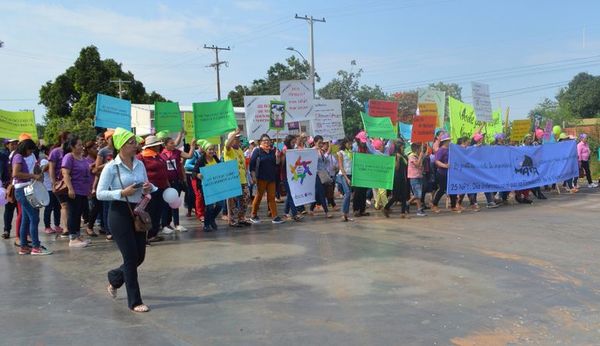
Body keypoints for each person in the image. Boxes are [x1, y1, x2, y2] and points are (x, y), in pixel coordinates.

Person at [97, 127, 154, 313]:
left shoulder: (140, 164)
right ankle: (135, 301)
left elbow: (148, 186)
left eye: (135, 142)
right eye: (131, 142)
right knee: (130, 258)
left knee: (139, 257)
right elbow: (99, 194)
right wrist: (122, 192)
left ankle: (114, 277)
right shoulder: (111, 167)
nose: (135, 145)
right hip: (119, 213)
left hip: (137, 211)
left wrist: (148, 188)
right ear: (121, 145)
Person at [12, 139, 52, 255]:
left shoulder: (23, 156)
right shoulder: (18, 157)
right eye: (30, 150)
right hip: (22, 189)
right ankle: (36, 247)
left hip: (25, 189)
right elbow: (16, 174)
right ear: (25, 148)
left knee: (26, 218)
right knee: (34, 218)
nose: (30, 153)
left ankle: (24, 246)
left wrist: (37, 172)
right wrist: (33, 176)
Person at [61, 135, 94, 248]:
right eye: (79, 145)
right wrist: (70, 188)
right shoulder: (69, 157)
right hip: (74, 190)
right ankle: (72, 238)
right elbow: (65, 173)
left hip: (83, 191)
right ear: (72, 146)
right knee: (73, 214)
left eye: (82, 144)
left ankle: (78, 235)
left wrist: (89, 188)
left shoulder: (82, 158)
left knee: (79, 214)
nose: (82, 147)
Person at [137, 135, 170, 241]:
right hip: (149, 189)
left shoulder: (158, 156)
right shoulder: (141, 157)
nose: (158, 147)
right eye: (156, 145)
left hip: (162, 187)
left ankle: (153, 234)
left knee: (158, 211)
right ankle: (146, 235)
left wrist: (167, 183)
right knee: (149, 211)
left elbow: (164, 171)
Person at [160, 136, 195, 232]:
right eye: (171, 143)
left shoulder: (177, 152)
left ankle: (177, 224)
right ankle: (165, 225)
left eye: (173, 143)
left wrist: (192, 146)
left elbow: (189, 156)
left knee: (175, 203)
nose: (174, 144)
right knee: (166, 204)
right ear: (165, 145)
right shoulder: (161, 154)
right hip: (166, 183)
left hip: (177, 181)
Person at [249, 134, 284, 224]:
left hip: (271, 178)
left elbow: (277, 163)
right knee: (259, 196)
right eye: (264, 140)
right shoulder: (257, 151)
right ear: (260, 142)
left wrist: (278, 156)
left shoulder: (273, 151)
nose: (267, 142)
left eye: (268, 140)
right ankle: (253, 215)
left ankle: (275, 216)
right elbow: (252, 164)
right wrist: (253, 176)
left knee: (271, 197)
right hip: (261, 178)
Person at [193, 143, 224, 232]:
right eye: (209, 149)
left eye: (212, 149)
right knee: (209, 206)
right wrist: (198, 175)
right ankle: (206, 224)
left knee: (220, 204)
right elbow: (194, 172)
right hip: (206, 187)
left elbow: (221, 169)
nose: (211, 151)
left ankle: (211, 219)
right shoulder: (201, 160)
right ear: (205, 151)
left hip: (216, 186)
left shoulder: (216, 159)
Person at [224, 129, 251, 227]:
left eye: (239, 138)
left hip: (243, 179)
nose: (238, 140)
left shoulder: (239, 149)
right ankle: (232, 220)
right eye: (236, 138)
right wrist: (234, 133)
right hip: (233, 180)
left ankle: (241, 218)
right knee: (233, 201)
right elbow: (227, 145)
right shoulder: (228, 149)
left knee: (245, 199)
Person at [431, 134, 460, 213]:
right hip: (442, 173)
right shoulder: (441, 150)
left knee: (452, 189)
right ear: (445, 142)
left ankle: (453, 206)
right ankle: (434, 205)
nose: (450, 142)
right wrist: (445, 165)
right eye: (448, 140)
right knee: (442, 189)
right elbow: (437, 161)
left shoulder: (451, 149)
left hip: (450, 173)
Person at [48, 132, 70, 237]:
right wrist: (53, 182)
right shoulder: (55, 152)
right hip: (60, 183)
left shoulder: (72, 152)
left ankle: (72, 226)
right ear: (63, 139)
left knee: (72, 206)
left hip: (72, 182)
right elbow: (51, 167)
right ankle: (66, 228)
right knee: (64, 205)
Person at [95, 130, 115, 240]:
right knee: (107, 207)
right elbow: (97, 168)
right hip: (106, 182)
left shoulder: (119, 150)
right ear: (107, 139)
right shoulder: (103, 151)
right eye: (112, 137)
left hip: (117, 182)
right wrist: (109, 163)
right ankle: (108, 230)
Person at [383, 140, 410, 218]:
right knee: (396, 196)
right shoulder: (394, 155)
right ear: (398, 147)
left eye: (403, 147)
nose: (403, 148)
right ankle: (386, 208)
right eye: (402, 147)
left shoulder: (404, 155)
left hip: (403, 177)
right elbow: (396, 168)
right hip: (396, 178)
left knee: (404, 195)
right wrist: (398, 159)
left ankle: (403, 213)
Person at [280, 135, 302, 222]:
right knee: (291, 194)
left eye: (294, 142)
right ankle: (295, 214)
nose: (294, 144)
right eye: (292, 142)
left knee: (290, 194)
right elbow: (281, 164)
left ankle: (286, 211)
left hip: (292, 175)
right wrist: (284, 156)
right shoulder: (284, 150)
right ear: (288, 142)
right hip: (285, 175)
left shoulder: (293, 150)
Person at [310, 136, 333, 219]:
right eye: (319, 142)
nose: (321, 144)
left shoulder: (321, 151)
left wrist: (329, 143)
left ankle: (311, 209)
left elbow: (327, 156)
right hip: (316, 174)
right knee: (322, 192)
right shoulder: (312, 151)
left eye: (322, 143)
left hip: (322, 174)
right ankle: (326, 212)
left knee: (318, 193)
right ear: (315, 142)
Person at [40, 152, 61, 234]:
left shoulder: (58, 162)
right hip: (48, 188)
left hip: (57, 187)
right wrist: (51, 161)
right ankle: (47, 226)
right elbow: (43, 169)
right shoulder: (44, 161)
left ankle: (57, 225)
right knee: (48, 208)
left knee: (57, 208)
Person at [2, 139, 18, 239]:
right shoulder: (3, 156)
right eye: (12, 144)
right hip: (8, 186)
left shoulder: (20, 155)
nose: (15, 145)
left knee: (20, 211)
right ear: (7, 145)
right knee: (9, 209)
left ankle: (21, 232)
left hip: (19, 185)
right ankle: (6, 230)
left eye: (16, 143)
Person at [336, 138, 353, 222]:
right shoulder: (340, 153)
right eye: (349, 143)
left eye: (351, 144)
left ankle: (346, 214)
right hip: (343, 175)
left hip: (350, 175)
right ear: (345, 143)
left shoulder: (351, 152)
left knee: (349, 195)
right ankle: (343, 213)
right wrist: (347, 178)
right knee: (347, 193)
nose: (350, 145)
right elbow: (341, 167)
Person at [407, 142, 427, 217]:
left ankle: (407, 204)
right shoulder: (411, 156)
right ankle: (419, 210)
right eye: (420, 149)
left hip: (419, 176)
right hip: (414, 177)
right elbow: (417, 164)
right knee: (418, 194)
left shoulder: (417, 155)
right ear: (416, 149)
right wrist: (420, 156)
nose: (421, 151)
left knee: (418, 194)